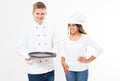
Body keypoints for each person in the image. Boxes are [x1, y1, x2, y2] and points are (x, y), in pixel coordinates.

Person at [17, 2, 59, 81]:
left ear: (45, 13)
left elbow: (56, 44)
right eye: (37, 13)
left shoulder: (51, 27)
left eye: (42, 14)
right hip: (34, 69)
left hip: (49, 69)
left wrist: (54, 52)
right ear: (33, 13)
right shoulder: (25, 29)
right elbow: (20, 48)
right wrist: (29, 56)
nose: (40, 16)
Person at [61, 12, 103, 81]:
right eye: (69, 25)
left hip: (82, 70)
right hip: (69, 69)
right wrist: (62, 61)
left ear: (78, 26)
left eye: (73, 25)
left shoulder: (85, 37)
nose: (71, 27)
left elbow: (99, 49)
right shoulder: (66, 38)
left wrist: (88, 60)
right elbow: (63, 51)